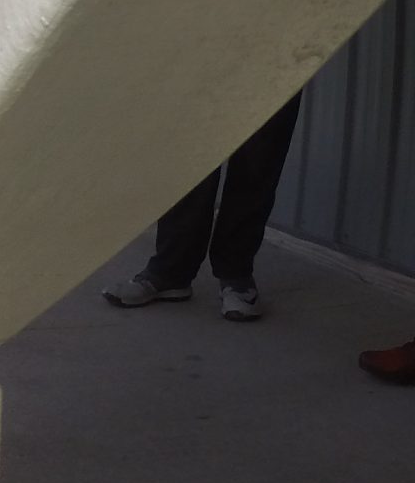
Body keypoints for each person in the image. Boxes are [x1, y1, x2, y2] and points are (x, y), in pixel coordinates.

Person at [102, 93, 303, 321]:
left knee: (259, 158)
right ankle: (171, 271)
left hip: (275, 62)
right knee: (189, 154)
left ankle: (236, 273)